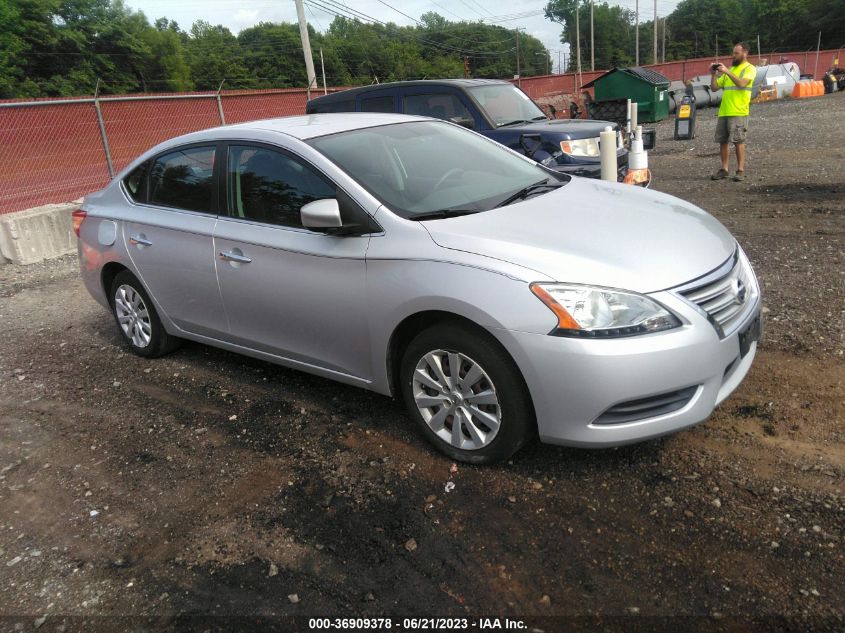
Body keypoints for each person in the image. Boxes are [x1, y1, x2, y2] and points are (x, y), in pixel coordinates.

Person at [710, 42, 757, 182]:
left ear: (745, 53)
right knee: (722, 141)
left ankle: (740, 170)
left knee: (738, 140)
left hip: (739, 111)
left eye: (736, 53)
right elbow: (714, 88)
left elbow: (742, 84)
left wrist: (727, 72)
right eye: (733, 53)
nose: (733, 55)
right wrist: (713, 74)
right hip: (724, 111)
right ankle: (724, 169)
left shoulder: (750, 68)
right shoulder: (730, 69)